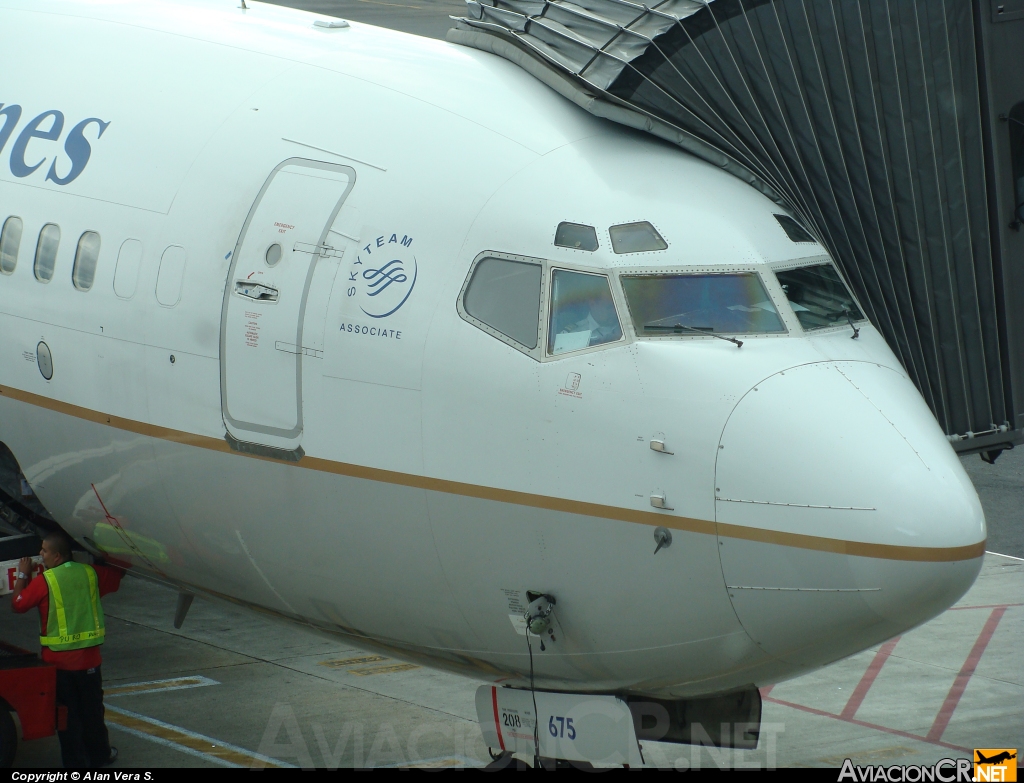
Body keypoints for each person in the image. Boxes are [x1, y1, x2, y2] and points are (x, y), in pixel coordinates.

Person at [11, 532, 122, 768]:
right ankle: (100, 756)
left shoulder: (46, 581)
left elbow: (18, 604)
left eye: (44, 551)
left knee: (68, 718)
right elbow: (115, 577)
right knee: (93, 713)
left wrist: (23, 573)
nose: (40, 555)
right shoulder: (90, 574)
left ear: (57, 556)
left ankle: (76, 764)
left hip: (60, 665)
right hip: (90, 662)